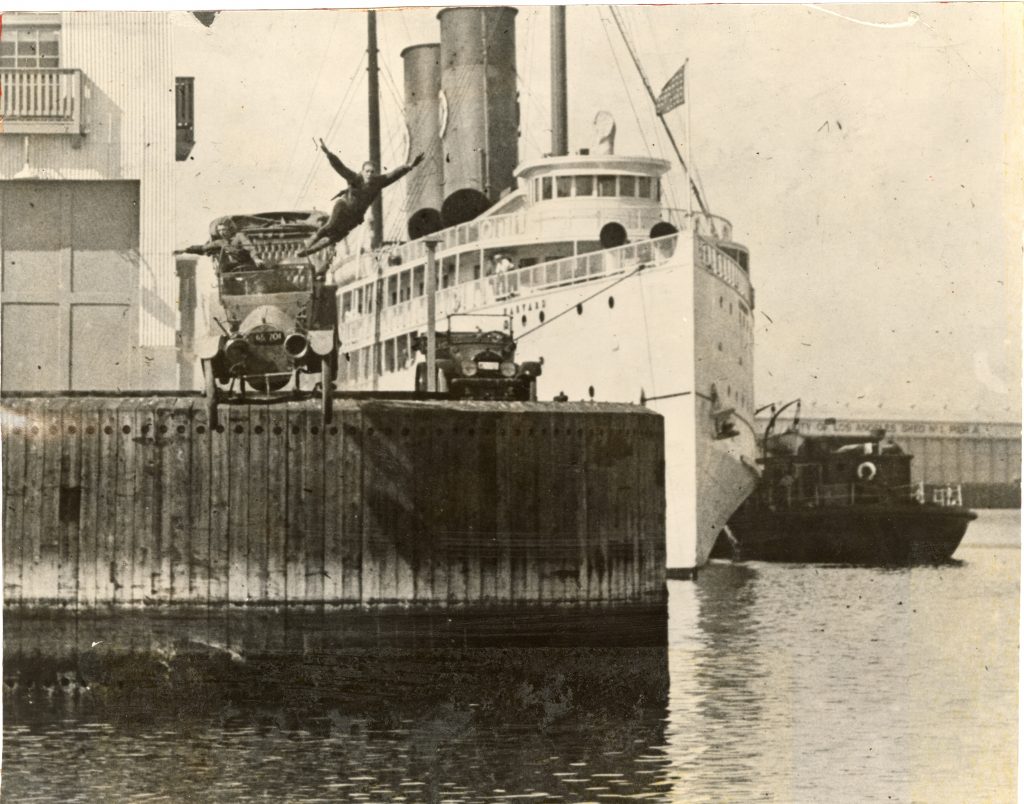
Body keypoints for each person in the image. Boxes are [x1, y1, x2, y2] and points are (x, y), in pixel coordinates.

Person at [297, 139, 424, 260]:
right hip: (343, 206)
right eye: (367, 171)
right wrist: (328, 153)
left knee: (339, 236)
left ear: (375, 173)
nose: (369, 174)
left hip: (355, 215)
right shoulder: (355, 178)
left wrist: (410, 166)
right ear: (362, 172)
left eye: (372, 172)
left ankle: (309, 251)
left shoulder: (378, 182)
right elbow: (340, 167)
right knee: (330, 226)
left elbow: (393, 175)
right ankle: (309, 243)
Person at [175, 218, 261, 273]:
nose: (222, 232)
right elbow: (203, 248)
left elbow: (250, 248)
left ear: (229, 229)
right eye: (219, 230)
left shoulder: (239, 236)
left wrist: (256, 258)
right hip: (234, 267)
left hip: (250, 264)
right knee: (221, 273)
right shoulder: (220, 242)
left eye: (224, 229)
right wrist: (186, 250)